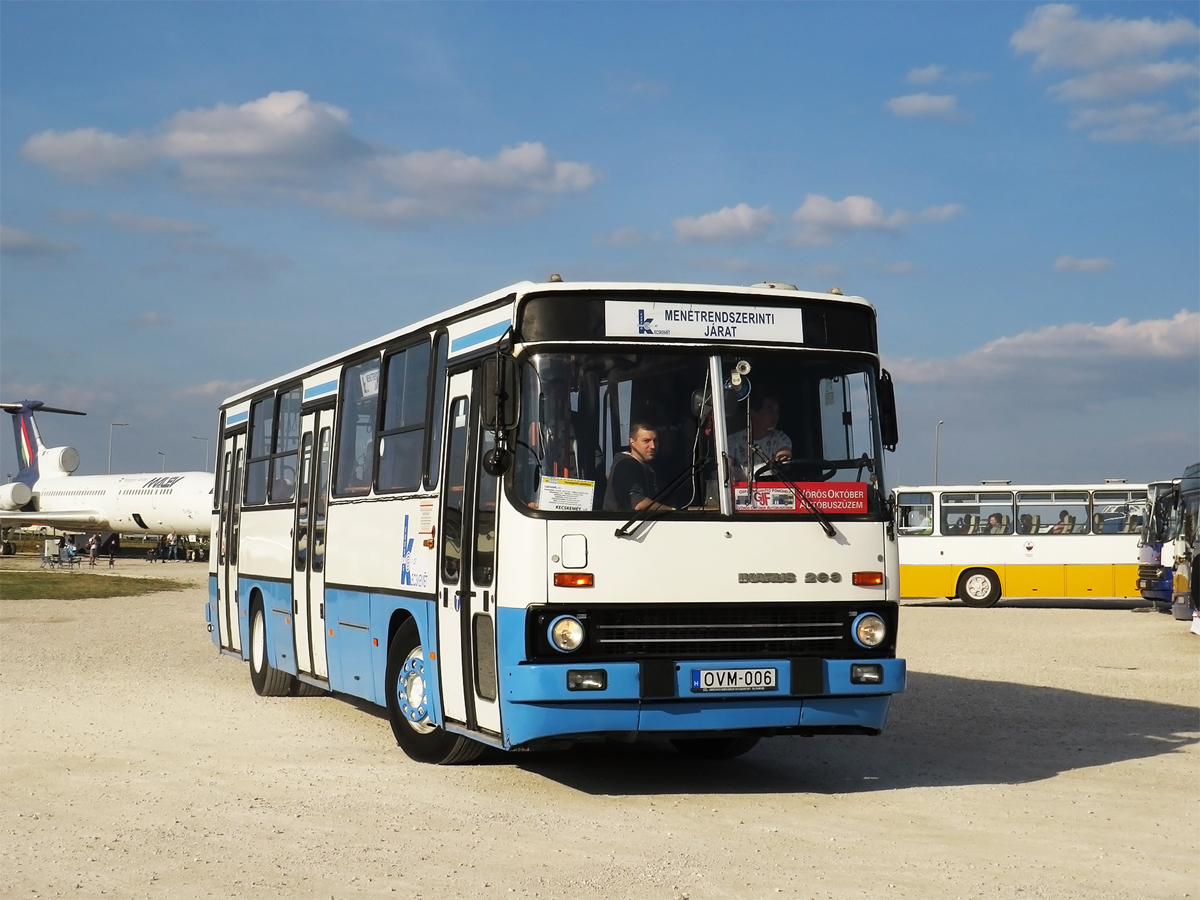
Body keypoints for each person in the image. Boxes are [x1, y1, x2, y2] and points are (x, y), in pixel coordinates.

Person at [603, 422, 672, 512]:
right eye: (646, 441)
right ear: (632, 443)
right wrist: (672, 510)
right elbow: (638, 503)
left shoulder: (650, 469)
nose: (653, 446)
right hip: (622, 524)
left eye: (655, 440)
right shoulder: (625, 466)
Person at [729, 394, 792, 478]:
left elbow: (784, 453)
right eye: (770, 411)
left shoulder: (781, 438)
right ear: (754, 414)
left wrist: (781, 458)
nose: (776, 416)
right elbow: (726, 470)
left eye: (777, 411)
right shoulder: (733, 440)